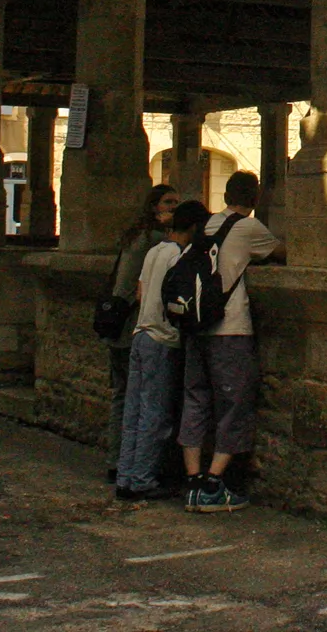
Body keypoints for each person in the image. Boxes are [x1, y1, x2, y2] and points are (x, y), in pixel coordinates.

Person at [179, 170, 284, 512]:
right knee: (233, 403)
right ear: (255, 198)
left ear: (225, 195)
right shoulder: (249, 228)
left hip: (195, 325)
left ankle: (192, 480)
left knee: (196, 399)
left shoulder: (206, 224)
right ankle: (214, 482)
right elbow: (281, 251)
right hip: (229, 327)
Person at [115, 199, 209, 501]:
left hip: (140, 332)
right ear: (194, 227)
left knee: (134, 410)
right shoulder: (177, 256)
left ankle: (125, 474)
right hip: (161, 338)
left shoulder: (154, 251)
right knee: (154, 413)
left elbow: (141, 292)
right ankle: (142, 479)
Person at [108, 184, 178, 468]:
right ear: (154, 207)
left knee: (122, 397)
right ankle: (139, 467)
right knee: (141, 401)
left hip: (116, 325)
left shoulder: (137, 234)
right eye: (168, 202)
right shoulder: (156, 240)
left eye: (176, 203)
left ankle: (118, 462)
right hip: (133, 327)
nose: (173, 207)